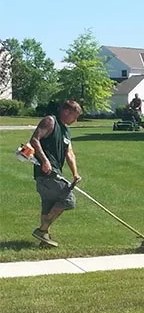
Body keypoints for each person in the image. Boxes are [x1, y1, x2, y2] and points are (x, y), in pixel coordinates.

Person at [30, 100, 83, 247]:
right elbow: (34, 140)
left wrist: (75, 174)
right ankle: (42, 230)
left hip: (55, 172)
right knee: (68, 200)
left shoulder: (66, 130)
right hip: (46, 172)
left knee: (49, 204)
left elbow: (69, 153)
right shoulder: (50, 121)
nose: (75, 120)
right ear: (66, 111)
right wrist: (45, 161)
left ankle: (44, 239)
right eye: (75, 116)